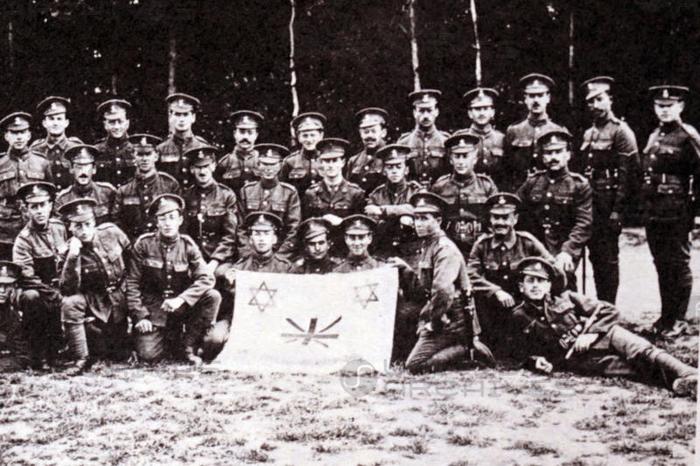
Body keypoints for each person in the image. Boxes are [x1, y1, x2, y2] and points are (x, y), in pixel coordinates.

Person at [508, 256, 697, 399]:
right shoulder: (518, 316)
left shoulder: (567, 298)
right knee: (634, 369)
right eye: (530, 281)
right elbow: (518, 351)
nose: (535, 286)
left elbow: (609, 310)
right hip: (580, 359)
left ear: (549, 285)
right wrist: (535, 360)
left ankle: (688, 373)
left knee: (642, 351)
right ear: (521, 286)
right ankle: (678, 383)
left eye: (540, 281)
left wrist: (591, 334)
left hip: (604, 335)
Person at [389, 192, 493, 373]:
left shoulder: (445, 249)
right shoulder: (429, 245)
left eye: (424, 218)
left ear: (438, 220)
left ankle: (468, 350)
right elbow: (425, 287)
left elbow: (443, 291)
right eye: (416, 218)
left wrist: (432, 322)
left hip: (453, 316)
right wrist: (405, 269)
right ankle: (461, 347)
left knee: (415, 365)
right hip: (442, 311)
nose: (418, 223)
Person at [127, 194, 220, 366]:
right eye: (163, 218)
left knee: (212, 296)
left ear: (180, 220)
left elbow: (207, 277)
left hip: (181, 306)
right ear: (157, 222)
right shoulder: (143, 244)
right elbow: (132, 283)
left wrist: (181, 299)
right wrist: (140, 316)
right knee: (148, 355)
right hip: (154, 308)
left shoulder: (188, 245)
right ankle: (167, 340)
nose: (167, 223)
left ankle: (188, 346)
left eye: (172, 217)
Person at [640, 85, 700, 338]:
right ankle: (665, 318)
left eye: (669, 106)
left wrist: (697, 214)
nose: (664, 111)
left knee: (678, 263)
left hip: (678, 211)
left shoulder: (688, 136)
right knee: (661, 263)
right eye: (659, 106)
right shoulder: (655, 135)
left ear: (680, 107)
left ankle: (679, 319)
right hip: (655, 211)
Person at [467, 192, 554, 351]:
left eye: (505, 218)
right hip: (492, 306)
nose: (500, 222)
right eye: (495, 218)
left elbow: (551, 267)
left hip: (523, 305)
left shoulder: (527, 242)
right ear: (490, 219)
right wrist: (495, 291)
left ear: (515, 219)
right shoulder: (482, 245)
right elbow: (470, 275)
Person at [579, 77, 638, 304]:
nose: (595, 105)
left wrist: (618, 211)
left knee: (607, 259)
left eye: (599, 99)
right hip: (590, 203)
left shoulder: (621, 132)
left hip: (609, 203)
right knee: (595, 255)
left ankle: (607, 308)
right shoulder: (589, 133)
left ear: (610, 100)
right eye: (591, 101)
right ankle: (594, 307)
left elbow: (628, 175)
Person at [58, 198, 132, 375]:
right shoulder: (68, 251)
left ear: (94, 222)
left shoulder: (112, 233)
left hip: (122, 297)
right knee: (70, 303)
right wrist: (73, 256)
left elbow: (133, 261)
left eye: (87, 224)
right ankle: (80, 358)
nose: (83, 231)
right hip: (95, 304)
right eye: (78, 226)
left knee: (122, 352)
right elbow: (67, 289)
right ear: (70, 227)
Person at [203, 212, 292, 359]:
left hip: (273, 319)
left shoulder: (285, 267)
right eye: (257, 234)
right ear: (250, 239)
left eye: (266, 234)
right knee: (214, 340)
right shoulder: (240, 266)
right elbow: (228, 304)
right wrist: (230, 285)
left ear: (274, 239)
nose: (261, 239)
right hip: (240, 319)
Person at [517, 128, 593, 289]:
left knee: (562, 285)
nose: (553, 157)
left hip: (563, 247)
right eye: (549, 153)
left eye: (558, 152)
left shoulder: (579, 185)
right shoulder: (533, 182)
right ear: (543, 157)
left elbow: (583, 223)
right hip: (535, 246)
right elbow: (515, 208)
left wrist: (568, 251)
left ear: (568, 154)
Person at [13, 182, 66, 369]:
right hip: (37, 290)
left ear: (51, 205)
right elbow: (27, 277)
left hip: (60, 287)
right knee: (32, 298)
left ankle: (65, 348)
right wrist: (53, 293)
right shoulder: (23, 240)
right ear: (26, 210)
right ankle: (39, 353)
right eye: (34, 207)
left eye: (43, 205)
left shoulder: (60, 228)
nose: (39, 211)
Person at [431, 133, 498, 257]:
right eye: (457, 156)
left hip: (479, 249)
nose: (461, 161)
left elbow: (494, 221)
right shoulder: (439, 187)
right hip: (449, 249)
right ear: (451, 159)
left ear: (475, 159)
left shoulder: (486, 186)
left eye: (465, 156)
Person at [0, 112, 53, 259]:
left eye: (22, 132)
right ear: (6, 136)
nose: (19, 137)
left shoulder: (41, 162)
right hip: (5, 232)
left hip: (35, 228)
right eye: (14, 133)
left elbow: (50, 196)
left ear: (29, 135)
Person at [503, 74, 565, 192]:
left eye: (540, 95)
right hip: (520, 190)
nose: (536, 100)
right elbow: (507, 168)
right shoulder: (514, 131)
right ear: (525, 99)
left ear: (548, 97)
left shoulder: (559, 131)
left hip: (549, 192)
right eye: (531, 96)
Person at [237, 143, 300, 259]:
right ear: (258, 165)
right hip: (251, 254)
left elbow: (293, 230)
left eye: (273, 164)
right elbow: (241, 228)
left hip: (280, 254)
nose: (268, 169)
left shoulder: (289, 193)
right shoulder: (247, 191)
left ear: (280, 165)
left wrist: (279, 258)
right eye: (264, 164)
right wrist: (247, 255)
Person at [182, 145, 238, 273]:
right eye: (198, 167)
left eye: (206, 166)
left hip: (220, 259)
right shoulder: (186, 196)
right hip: (193, 258)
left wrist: (214, 262)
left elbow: (230, 236)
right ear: (191, 169)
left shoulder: (226, 195)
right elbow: (183, 234)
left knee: (222, 275)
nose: (202, 172)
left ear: (213, 166)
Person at [113, 134, 180, 240]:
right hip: (134, 247)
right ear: (133, 156)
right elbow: (117, 225)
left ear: (156, 156)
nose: (144, 159)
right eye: (140, 154)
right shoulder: (124, 190)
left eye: (148, 154)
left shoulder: (170, 185)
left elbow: (180, 221)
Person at [365, 144, 422, 260]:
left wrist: (383, 211)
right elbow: (372, 222)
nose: (394, 171)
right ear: (384, 171)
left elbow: (418, 210)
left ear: (406, 170)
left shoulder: (416, 191)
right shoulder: (376, 195)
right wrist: (403, 212)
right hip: (384, 252)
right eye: (390, 167)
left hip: (412, 252)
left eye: (398, 167)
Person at [302, 138, 365, 223]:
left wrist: (341, 222)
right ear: (321, 163)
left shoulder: (355, 193)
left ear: (343, 162)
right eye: (327, 161)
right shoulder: (311, 193)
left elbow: (359, 225)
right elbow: (307, 224)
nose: (331, 165)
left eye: (335, 160)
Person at [397, 89, 450, 188]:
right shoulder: (404, 142)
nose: (425, 116)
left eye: (429, 110)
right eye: (421, 111)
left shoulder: (445, 141)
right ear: (414, 113)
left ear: (436, 112)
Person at [455, 87, 506, 186]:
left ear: (492, 112)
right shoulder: (461, 138)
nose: (482, 113)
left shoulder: (501, 139)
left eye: (486, 108)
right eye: (477, 109)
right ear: (470, 113)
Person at [156, 93, 209, 189]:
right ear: (170, 116)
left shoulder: (203, 147)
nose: (181, 119)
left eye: (185, 114)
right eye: (177, 114)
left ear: (193, 117)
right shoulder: (160, 149)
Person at [55, 144, 117, 225]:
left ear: (94, 169)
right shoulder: (62, 199)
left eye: (87, 166)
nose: (83, 172)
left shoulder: (108, 192)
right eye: (79, 167)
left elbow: (117, 221)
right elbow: (59, 229)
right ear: (71, 169)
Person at [30, 96, 83, 189]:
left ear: (66, 123)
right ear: (44, 123)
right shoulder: (36, 150)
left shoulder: (76, 148)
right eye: (51, 119)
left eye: (59, 119)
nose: (55, 123)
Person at [215, 110, 263, 195]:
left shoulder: (263, 161)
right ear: (234, 134)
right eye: (242, 132)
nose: (245, 137)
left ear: (256, 135)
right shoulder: (225, 163)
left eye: (250, 132)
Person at [280, 112, 326, 197]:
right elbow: (283, 192)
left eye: (313, 135)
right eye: (305, 136)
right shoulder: (290, 162)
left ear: (321, 135)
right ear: (298, 137)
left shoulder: (328, 159)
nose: (309, 140)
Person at [345, 107, 388, 193]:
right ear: (360, 134)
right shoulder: (354, 161)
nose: (369, 136)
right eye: (366, 132)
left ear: (383, 133)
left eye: (373, 131)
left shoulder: (390, 157)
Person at [94, 98, 135, 188]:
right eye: (112, 122)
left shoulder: (136, 149)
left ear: (127, 123)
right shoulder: (96, 151)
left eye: (120, 122)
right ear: (105, 124)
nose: (116, 127)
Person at [0, 261, 31, 372]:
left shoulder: (12, 315)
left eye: (7, 286)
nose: (2, 291)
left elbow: (22, 355)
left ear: (14, 287)